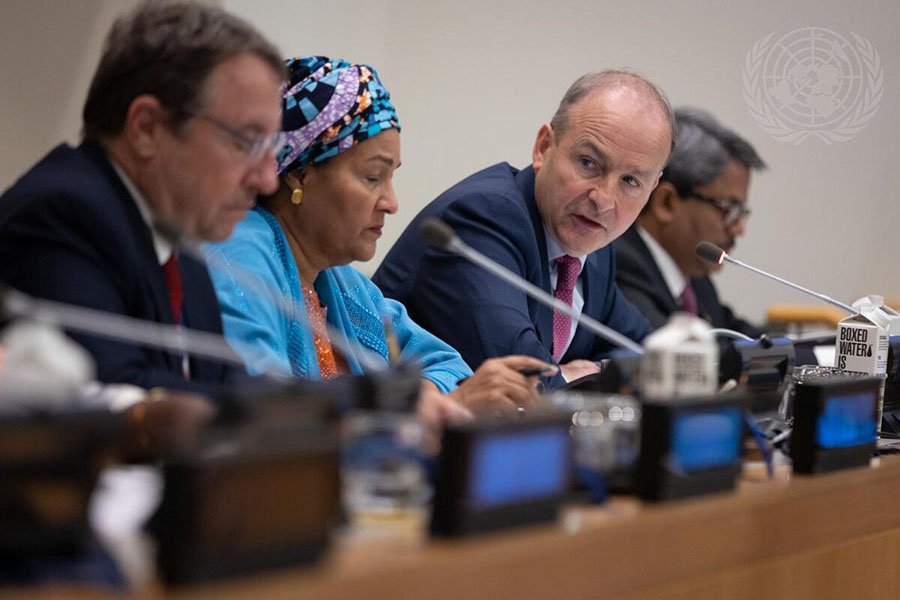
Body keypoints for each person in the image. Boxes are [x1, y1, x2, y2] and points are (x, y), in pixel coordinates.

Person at [206, 56, 551, 418]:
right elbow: (265, 411)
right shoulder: (237, 255)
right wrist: (421, 410)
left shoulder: (341, 281)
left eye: (391, 178)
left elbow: (447, 364)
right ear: (300, 174)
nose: (391, 203)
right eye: (373, 177)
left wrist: (426, 401)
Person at [0, 0, 284, 395]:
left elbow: (227, 384)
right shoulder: (60, 216)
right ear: (147, 128)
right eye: (247, 142)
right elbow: (122, 396)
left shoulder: (181, 248)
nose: (268, 179)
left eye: (273, 147)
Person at [373, 71, 674, 388]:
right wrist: (574, 375)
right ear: (544, 147)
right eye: (588, 163)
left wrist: (592, 373)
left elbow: (649, 354)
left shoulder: (595, 246)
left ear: (651, 190)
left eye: (630, 181)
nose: (604, 201)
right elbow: (525, 383)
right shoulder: (481, 219)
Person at [612, 107, 765, 337]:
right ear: (666, 203)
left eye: (741, 212)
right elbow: (674, 354)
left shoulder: (693, 276)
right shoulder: (621, 265)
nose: (739, 228)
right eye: (728, 209)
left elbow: (735, 334)